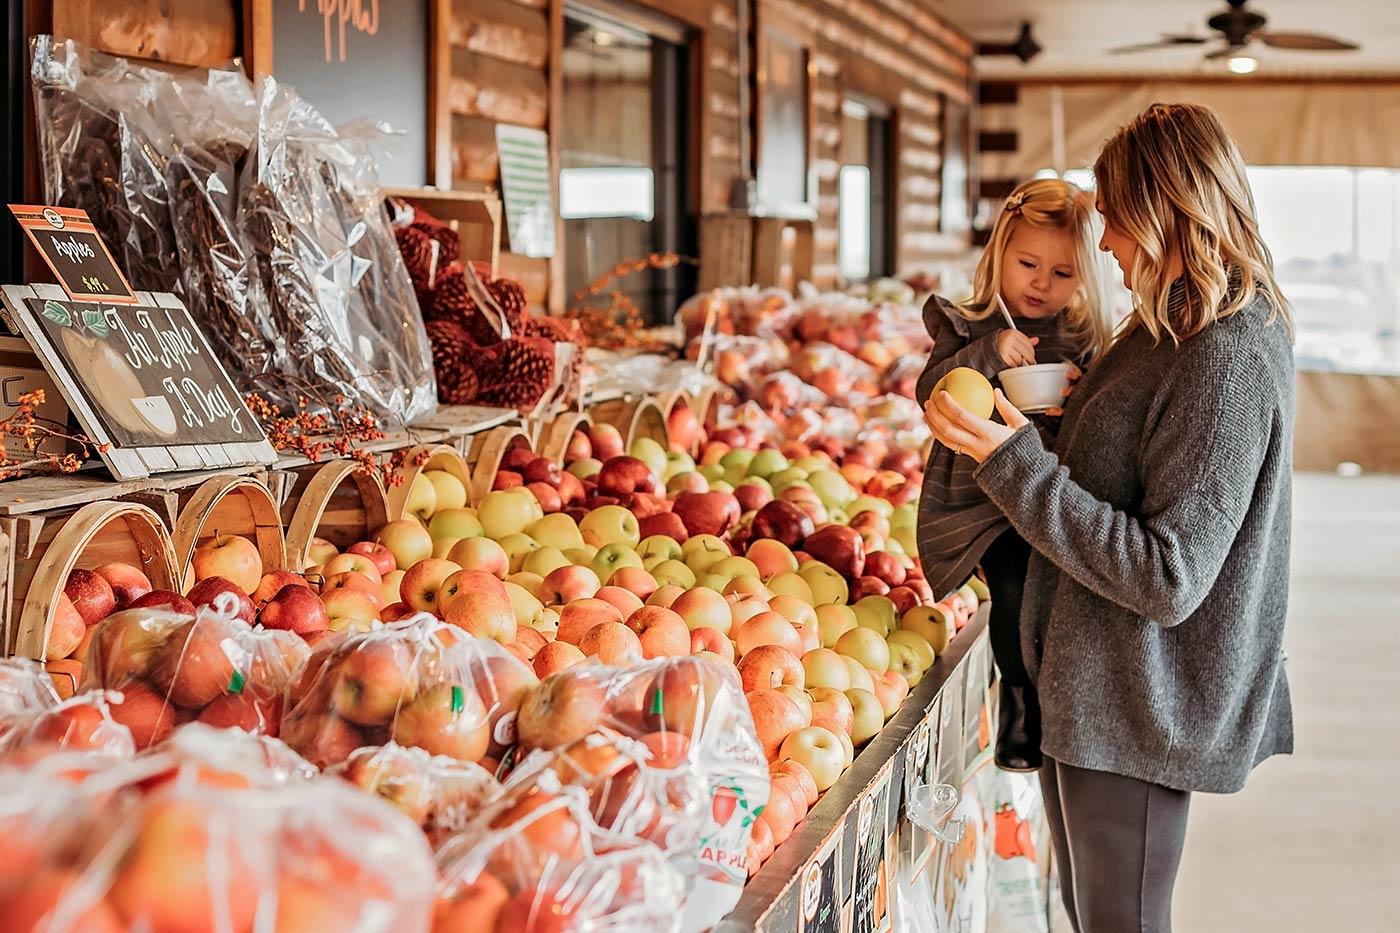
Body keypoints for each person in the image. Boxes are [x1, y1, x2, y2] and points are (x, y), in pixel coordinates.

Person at [923, 102, 1295, 933]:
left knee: (1119, 921)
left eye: (1117, 218)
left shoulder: (1223, 356)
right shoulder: (1168, 327)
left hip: (1136, 700)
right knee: (1091, 913)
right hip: (1093, 685)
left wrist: (1008, 461)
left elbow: (1169, 574)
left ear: (1167, 211)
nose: (1106, 243)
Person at [914, 178, 1114, 772]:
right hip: (977, 500)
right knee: (1011, 588)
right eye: (1028, 263)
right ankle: (1020, 711)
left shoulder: (1081, 337)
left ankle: (1058, 703)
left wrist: (1074, 404)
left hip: (1047, 495)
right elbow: (930, 391)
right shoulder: (968, 324)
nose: (1040, 284)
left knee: (1059, 598)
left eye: (1062, 273)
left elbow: (1101, 421)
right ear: (999, 250)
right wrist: (989, 353)